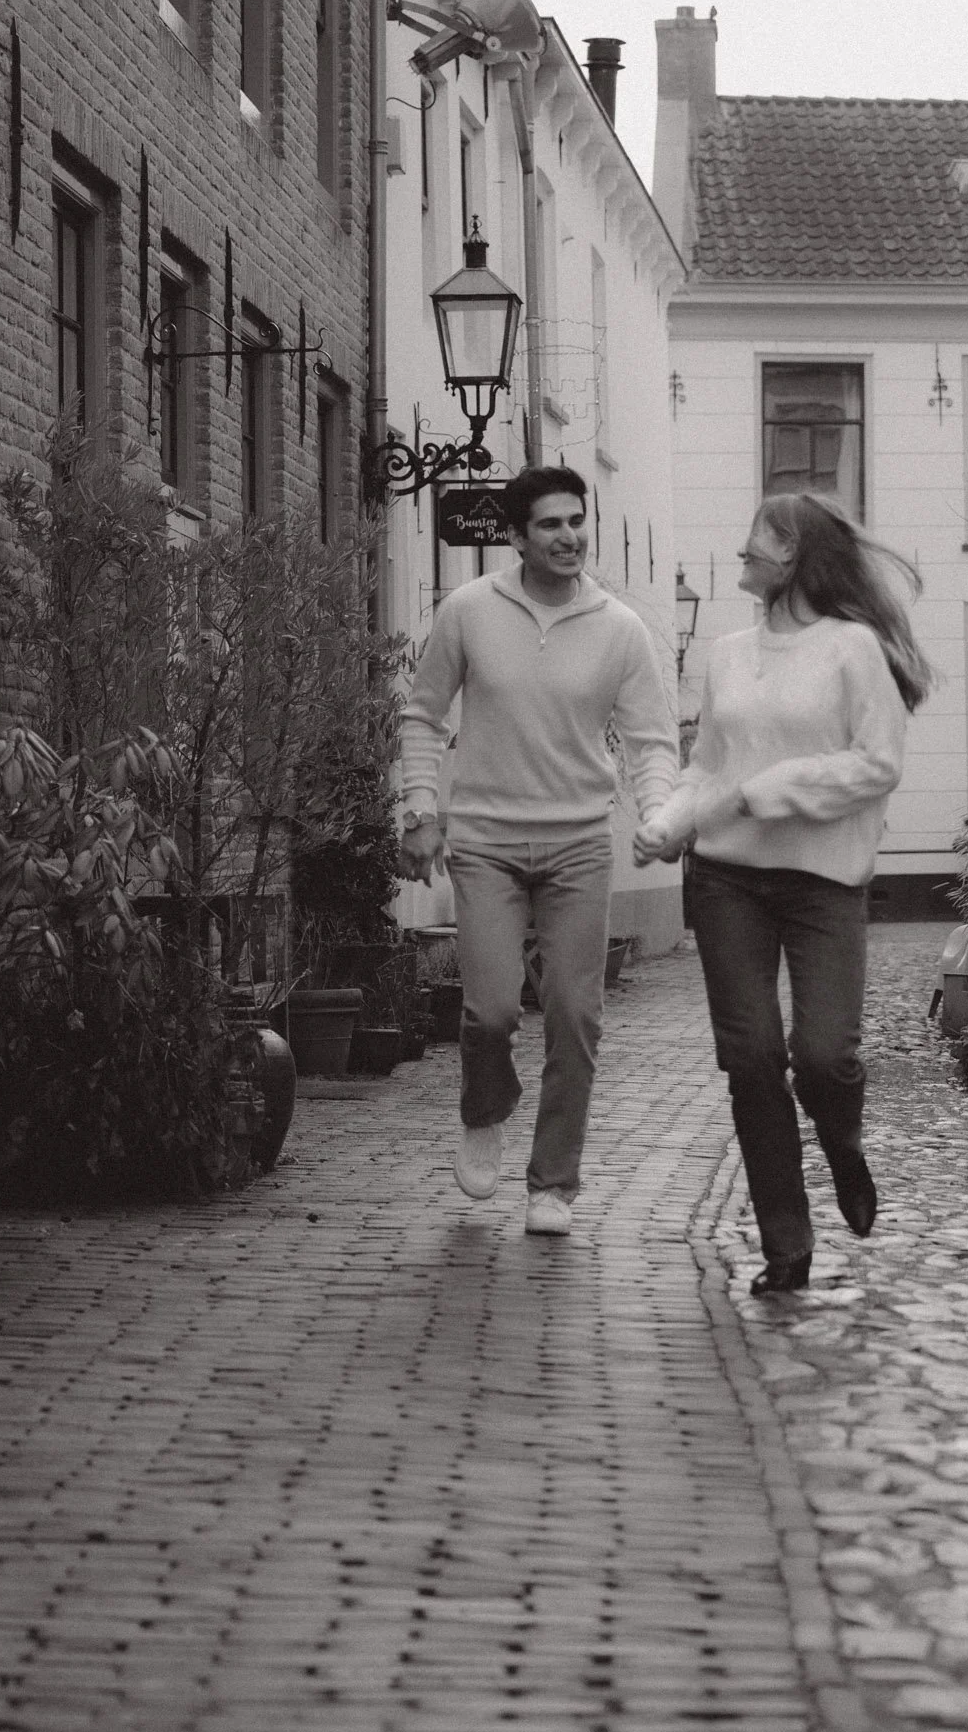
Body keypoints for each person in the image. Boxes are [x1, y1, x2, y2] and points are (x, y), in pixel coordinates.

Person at [633, 492, 931, 1295]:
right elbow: (708, 766)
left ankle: (843, 1141)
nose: (739, 555)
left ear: (795, 555)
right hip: (726, 879)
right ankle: (785, 1243)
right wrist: (667, 821)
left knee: (822, 1057)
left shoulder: (853, 650)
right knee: (753, 1060)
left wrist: (777, 786)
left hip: (825, 883)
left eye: (754, 544)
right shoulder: (726, 653)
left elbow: (877, 765)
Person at [398, 464, 679, 1235]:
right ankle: (485, 1110)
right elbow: (422, 716)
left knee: (574, 1013)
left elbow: (652, 739)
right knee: (489, 1013)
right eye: (550, 524)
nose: (569, 537)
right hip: (484, 839)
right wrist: (422, 807)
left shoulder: (619, 628)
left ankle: (553, 1184)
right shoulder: (468, 612)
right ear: (516, 536)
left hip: (578, 844)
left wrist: (657, 812)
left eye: (576, 521)